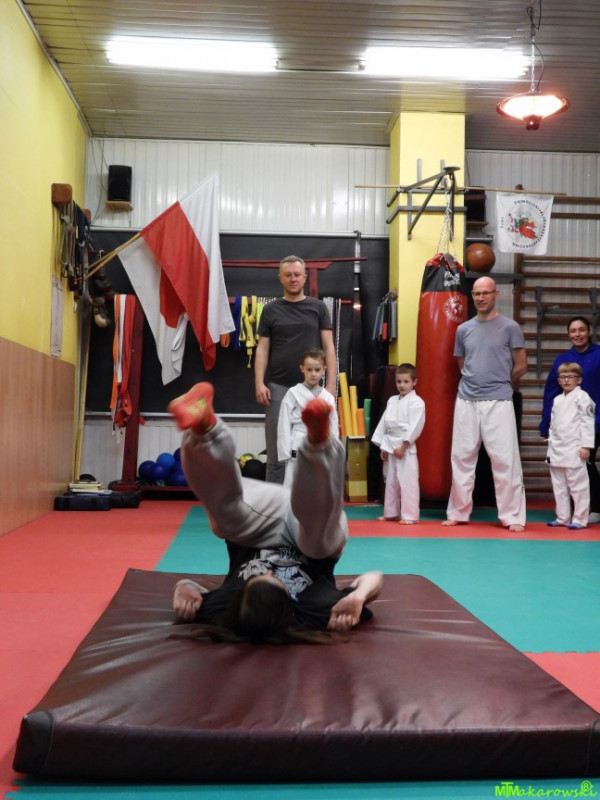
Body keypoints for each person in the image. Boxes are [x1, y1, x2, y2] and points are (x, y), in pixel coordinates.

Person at [167, 382, 383, 644]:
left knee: (224, 521)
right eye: (274, 582)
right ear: (288, 606)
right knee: (317, 543)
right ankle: (318, 444)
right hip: (310, 531)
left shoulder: (228, 606)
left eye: (256, 579)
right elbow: (374, 577)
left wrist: (183, 589)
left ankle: (205, 430)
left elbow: (189, 586)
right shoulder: (315, 611)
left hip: (257, 527)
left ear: (242, 595)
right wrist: (359, 596)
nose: (268, 572)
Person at [442, 276, 527, 532]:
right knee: (461, 458)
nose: (481, 298)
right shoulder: (463, 329)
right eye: (477, 293)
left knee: (505, 461)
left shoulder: (510, 327)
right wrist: (477, 380)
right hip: (466, 400)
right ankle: (458, 512)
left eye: (485, 293)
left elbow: (521, 365)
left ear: (495, 295)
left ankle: (512, 515)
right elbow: (463, 364)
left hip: (498, 401)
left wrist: (501, 382)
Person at [255, 255, 337, 484]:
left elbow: (329, 347)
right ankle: (275, 503)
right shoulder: (270, 310)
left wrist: (331, 385)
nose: (293, 279)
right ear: (280, 278)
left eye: (297, 275)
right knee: (276, 452)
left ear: (305, 277)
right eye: (288, 275)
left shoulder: (318, 308)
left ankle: (311, 499)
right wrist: (259, 383)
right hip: (278, 388)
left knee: (317, 450)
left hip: (314, 391)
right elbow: (262, 348)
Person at [539, 316, 600, 523]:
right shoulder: (562, 360)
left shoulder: (598, 355)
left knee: (585, 466)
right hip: (573, 427)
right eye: (573, 331)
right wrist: (546, 422)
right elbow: (551, 392)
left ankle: (592, 510)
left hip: (594, 419)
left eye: (581, 330)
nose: (577, 334)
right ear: (568, 334)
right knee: (580, 467)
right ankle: (572, 513)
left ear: (589, 332)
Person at [371, 363, 425, 524]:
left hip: (405, 446)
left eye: (406, 381)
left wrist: (404, 445)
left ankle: (410, 516)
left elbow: (416, 426)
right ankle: (391, 513)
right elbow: (384, 423)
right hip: (390, 444)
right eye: (399, 381)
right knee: (391, 481)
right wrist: (383, 446)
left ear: (414, 382)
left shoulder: (417, 402)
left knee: (408, 482)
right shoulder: (392, 400)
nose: (402, 385)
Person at [277, 348, 339, 488]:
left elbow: (333, 425)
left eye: (317, 370)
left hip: (321, 448)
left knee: (318, 487)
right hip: (297, 446)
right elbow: (284, 423)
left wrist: (332, 451)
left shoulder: (328, 397)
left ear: (324, 370)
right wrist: (285, 451)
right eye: (309, 369)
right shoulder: (293, 393)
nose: (313, 374)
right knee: (293, 488)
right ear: (302, 369)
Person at [545, 363, 595, 530]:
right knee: (559, 487)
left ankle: (580, 519)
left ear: (578, 380)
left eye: (570, 377)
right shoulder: (557, 400)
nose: (566, 380)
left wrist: (586, 446)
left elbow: (587, 423)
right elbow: (553, 426)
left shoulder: (583, 397)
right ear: (559, 380)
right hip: (557, 449)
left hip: (575, 448)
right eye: (563, 377)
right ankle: (562, 517)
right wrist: (550, 449)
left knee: (578, 487)